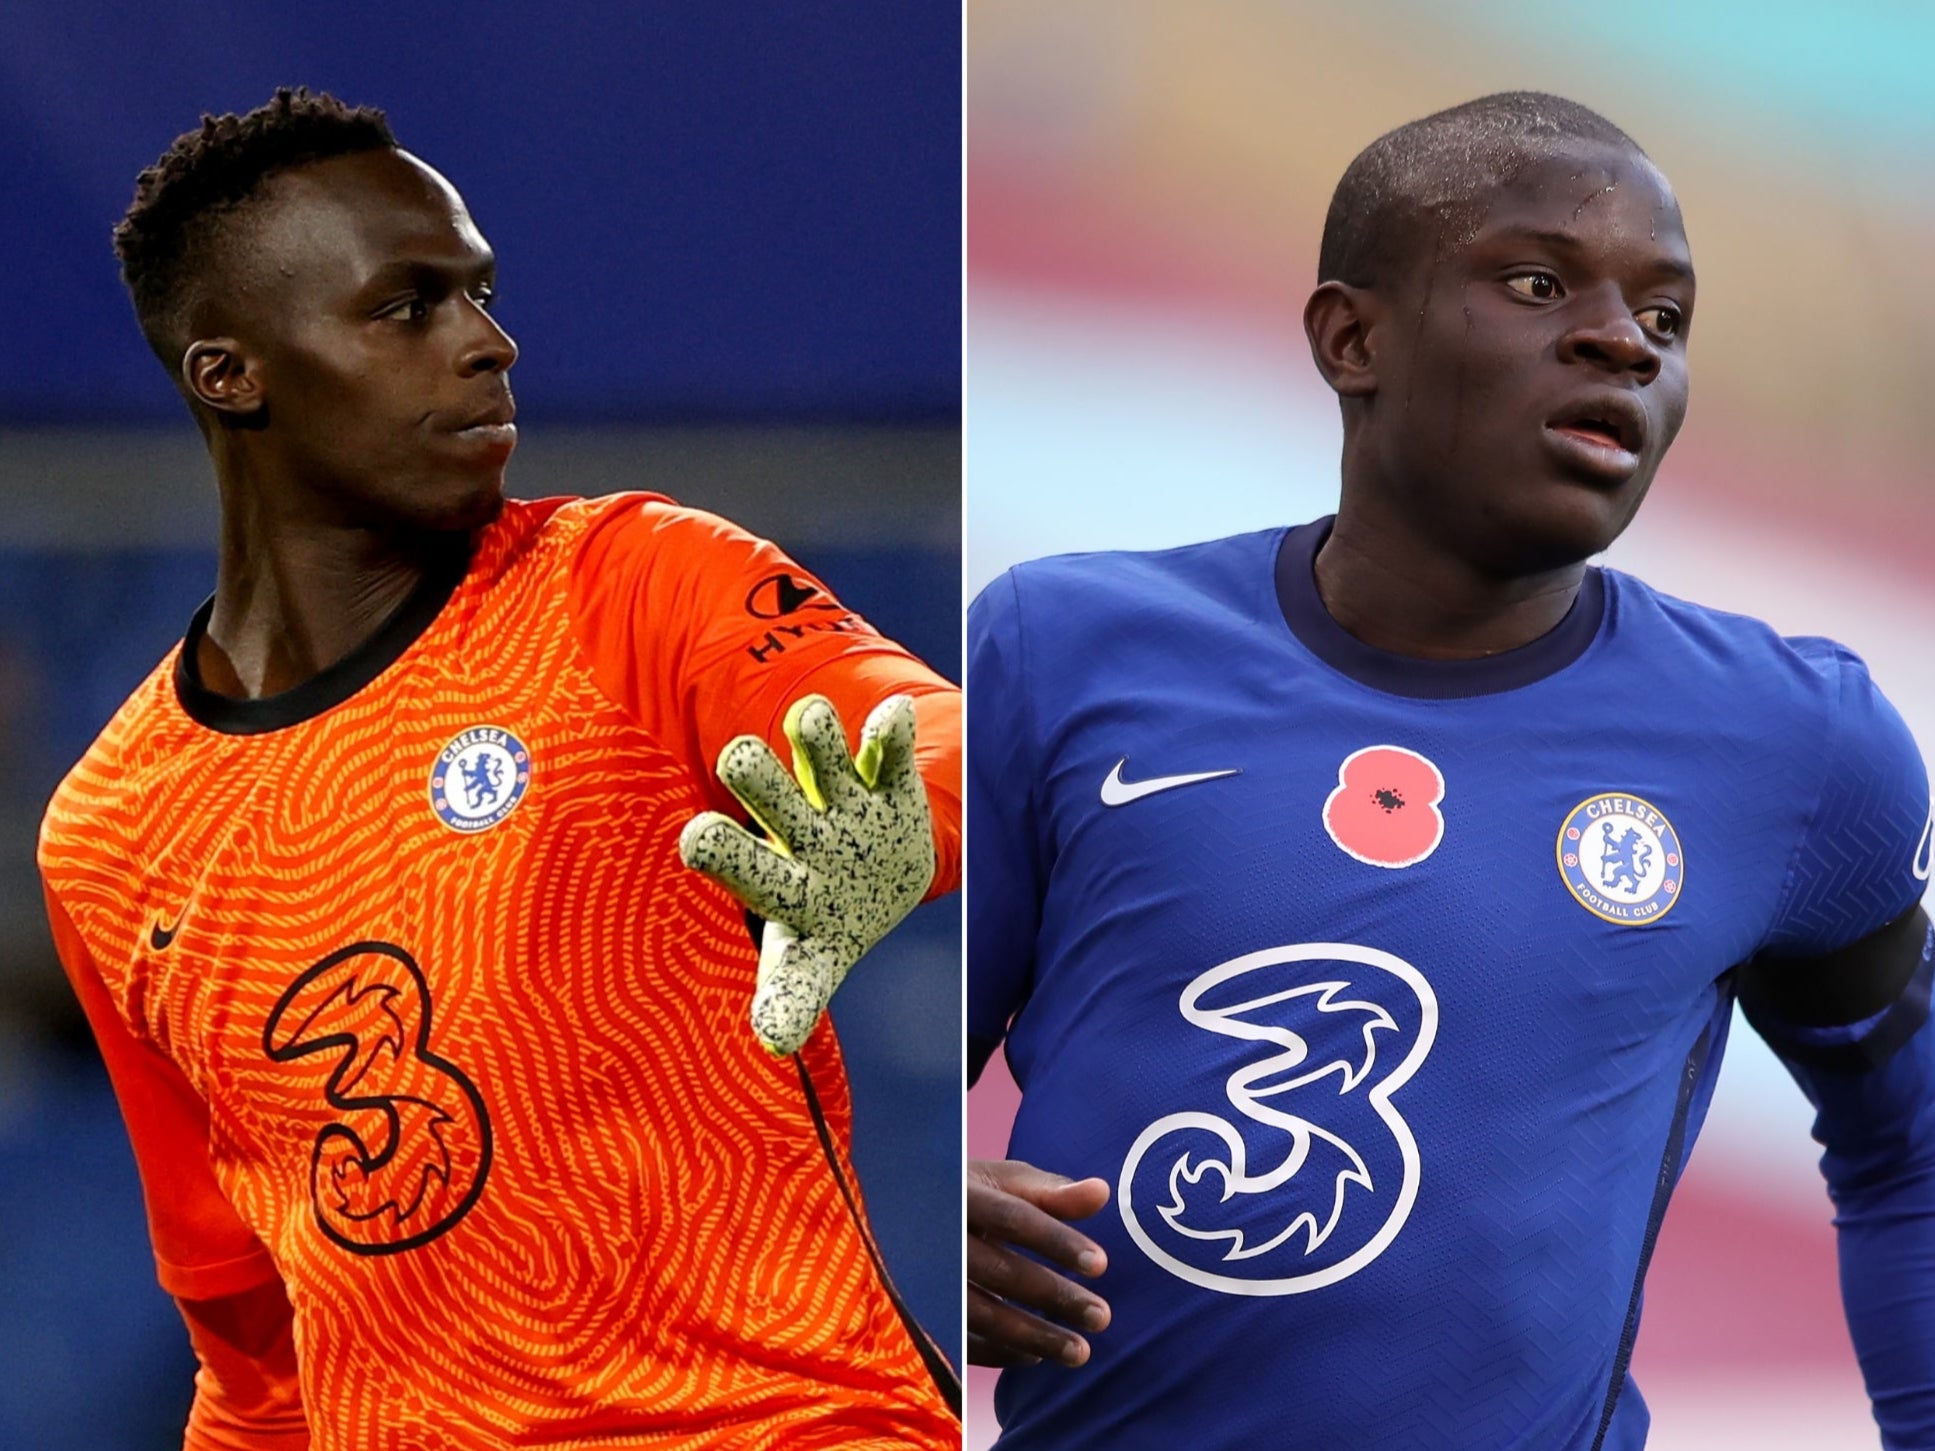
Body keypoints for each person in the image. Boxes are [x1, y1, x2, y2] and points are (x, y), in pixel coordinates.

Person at [965, 92, 1935, 1450]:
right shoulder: (1057, 649)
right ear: (1351, 337)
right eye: (1541, 284)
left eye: (1666, 320)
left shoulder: (1798, 745)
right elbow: (822, 1103)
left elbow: (1914, 1154)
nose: (1620, 342)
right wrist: (906, 1222)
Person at [37, 89, 961, 1449]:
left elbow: (927, 742)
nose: (487, 343)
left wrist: (908, 827)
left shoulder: (630, 580)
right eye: (407, 306)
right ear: (230, 372)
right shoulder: (110, 836)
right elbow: (253, 1355)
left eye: (479, 293)